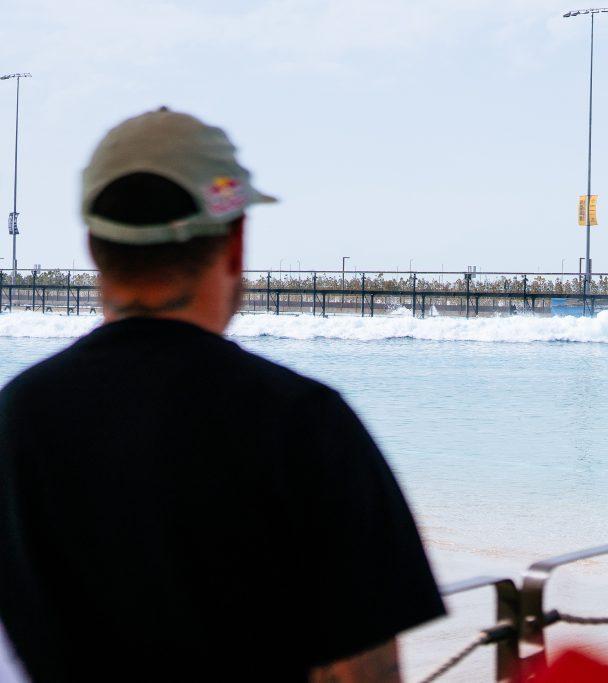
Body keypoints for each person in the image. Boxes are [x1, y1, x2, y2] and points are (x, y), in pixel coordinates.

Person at [0, 108, 444, 682]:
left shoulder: (15, 418)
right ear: (235, 242)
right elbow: (366, 673)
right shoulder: (304, 423)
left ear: (93, 245)